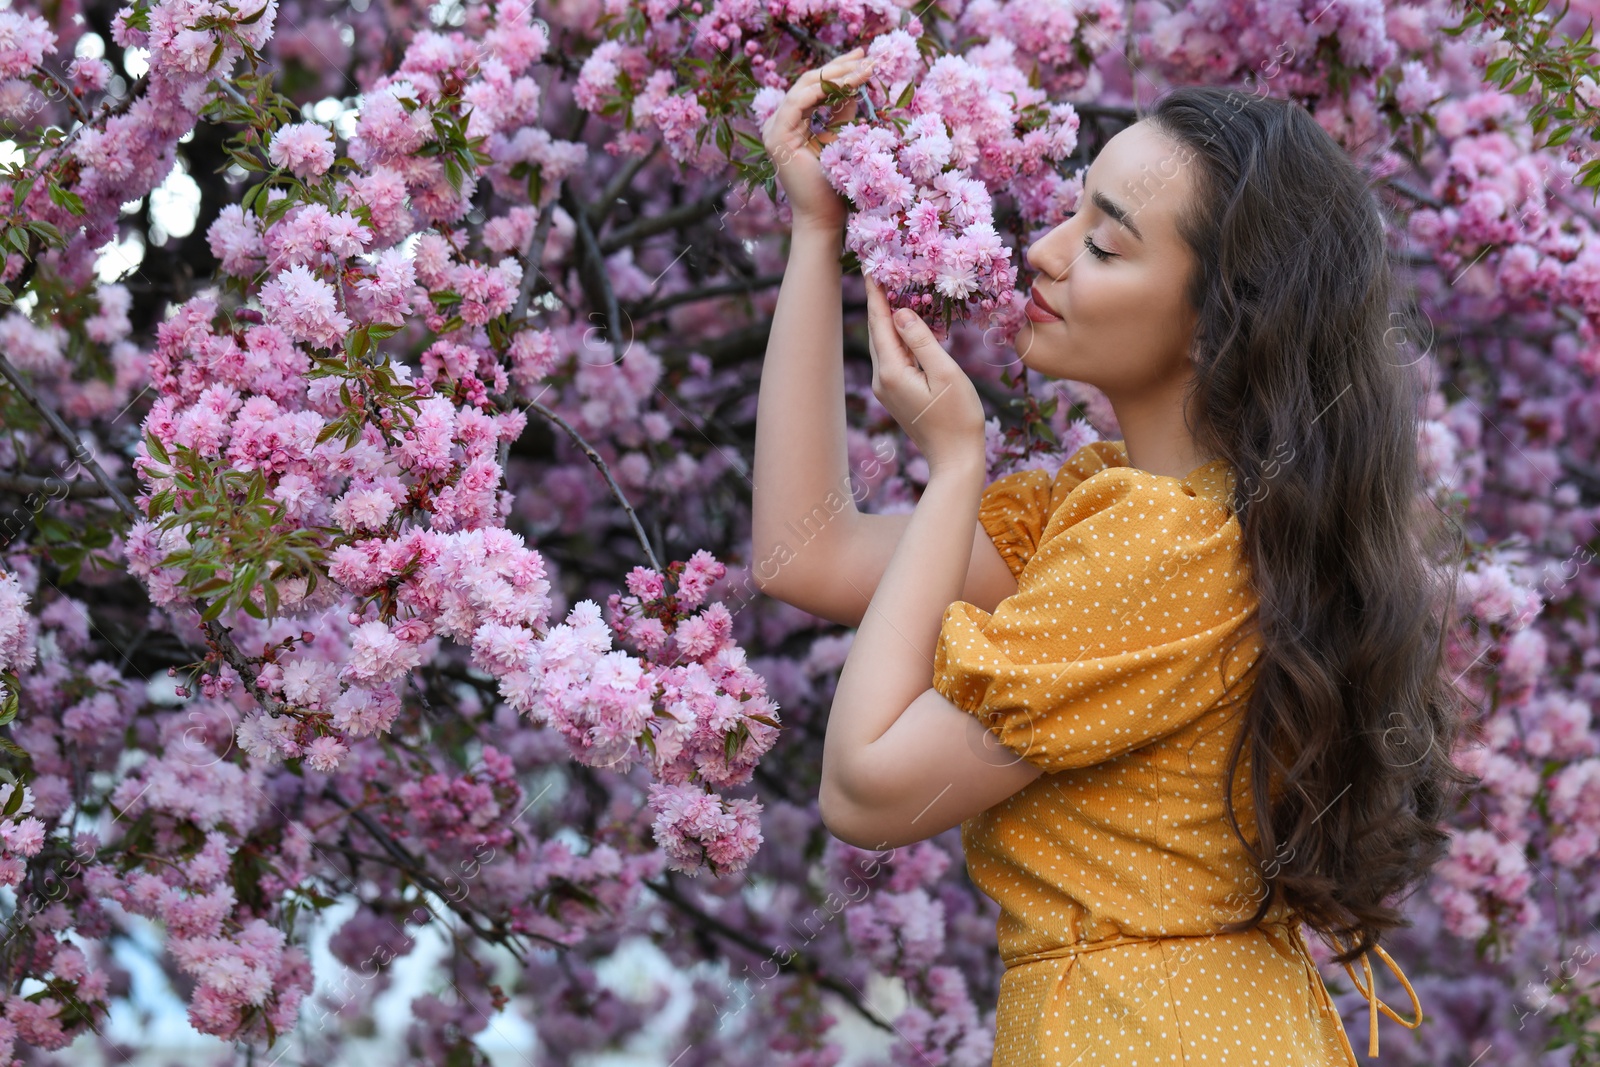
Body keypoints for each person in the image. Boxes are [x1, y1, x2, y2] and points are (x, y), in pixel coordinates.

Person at [751, 48, 1475, 1066]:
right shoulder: (1146, 516)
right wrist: (816, 228)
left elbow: (866, 791)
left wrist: (954, 461)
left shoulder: (1161, 547)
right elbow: (807, 553)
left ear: (1220, 318)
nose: (1042, 252)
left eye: (1102, 244)